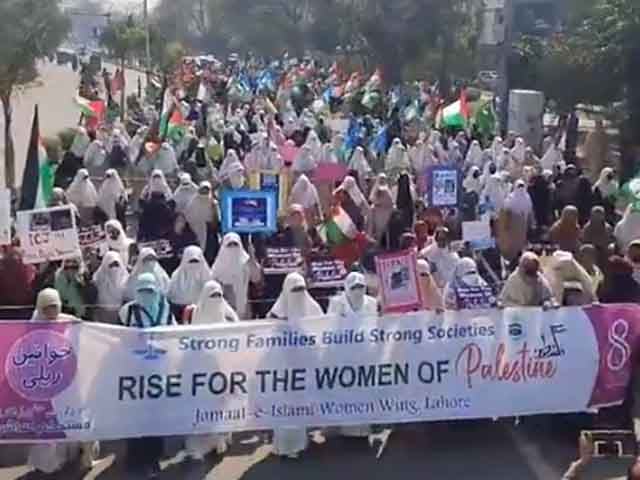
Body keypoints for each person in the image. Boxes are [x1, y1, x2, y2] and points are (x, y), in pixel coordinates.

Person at [27, 289, 97, 474]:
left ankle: (76, 454)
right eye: (47, 307)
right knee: (48, 421)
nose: (52, 312)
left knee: (70, 416)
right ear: (40, 307)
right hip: (45, 383)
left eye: (55, 307)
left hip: (68, 380)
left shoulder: (67, 321)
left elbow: (82, 332)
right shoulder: (32, 326)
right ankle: (48, 462)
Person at [119, 274, 174, 477]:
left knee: (155, 417)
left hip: (159, 373)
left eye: (150, 291)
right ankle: (135, 457)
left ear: (156, 290)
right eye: (142, 291)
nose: (146, 295)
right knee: (135, 417)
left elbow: (176, 336)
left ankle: (153, 457)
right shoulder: (127, 311)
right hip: (134, 374)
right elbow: (117, 338)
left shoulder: (166, 310)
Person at [268, 273, 323, 458]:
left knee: (303, 404)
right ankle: (286, 445)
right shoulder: (276, 314)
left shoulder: (313, 308)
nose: (299, 293)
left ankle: (301, 442)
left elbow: (323, 334)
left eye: (302, 289)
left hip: (307, 365)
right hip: (284, 369)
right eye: (295, 289)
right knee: (286, 407)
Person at [181, 281, 236, 459]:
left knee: (219, 407)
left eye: (219, 295)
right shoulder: (194, 314)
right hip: (199, 371)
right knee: (200, 407)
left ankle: (218, 440)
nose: (216, 299)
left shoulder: (229, 317)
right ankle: (201, 443)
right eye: (212, 296)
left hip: (221, 370)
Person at [211, 233, 262, 319]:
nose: (233, 247)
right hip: (224, 310)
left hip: (244, 308)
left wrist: (252, 257)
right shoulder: (217, 267)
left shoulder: (246, 262)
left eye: (235, 244)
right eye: (229, 245)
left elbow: (256, 278)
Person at [168, 245, 211, 321]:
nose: (193, 265)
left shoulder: (208, 278)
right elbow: (172, 299)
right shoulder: (176, 277)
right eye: (190, 261)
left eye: (196, 261)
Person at [185, 181, 220, 263]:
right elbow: (188, 218)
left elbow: (217, 221)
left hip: (210, 234)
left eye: (207, 190)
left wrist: (214, 209)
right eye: (203, 190)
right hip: (195, 234)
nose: (205, 192)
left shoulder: (213, 203)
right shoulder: (193, 203)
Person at [92, 251, 129, 324]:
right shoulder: (98, 279)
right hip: (101, 316)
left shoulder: (126, 279)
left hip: (121, 317)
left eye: (116, 265)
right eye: (111, 265)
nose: (114, 268)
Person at [138, 170, 175, 242]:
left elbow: (171, 203)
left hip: (163, 217)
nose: (156, 180)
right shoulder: (147, 188)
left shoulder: (166, 188)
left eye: (158, 177)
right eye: (155, 177)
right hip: (150, 214)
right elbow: (141, 201)